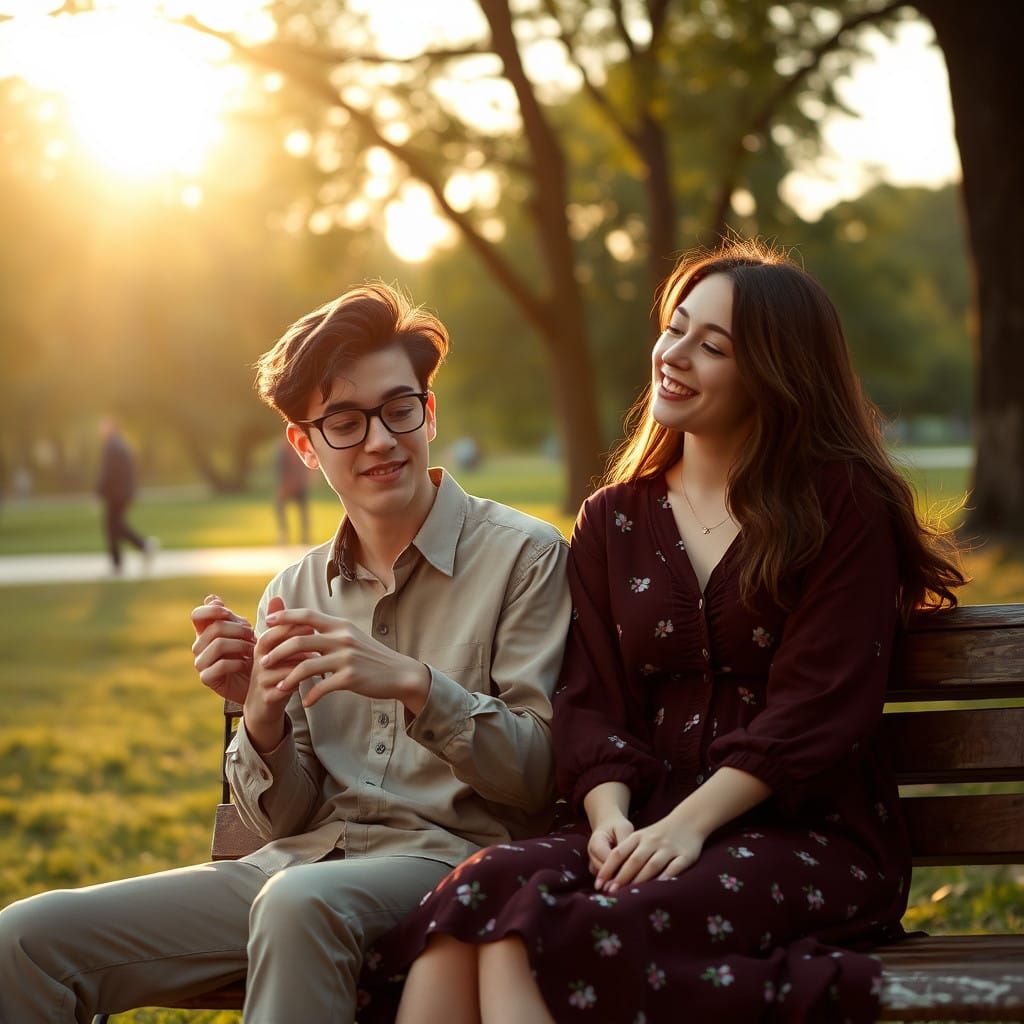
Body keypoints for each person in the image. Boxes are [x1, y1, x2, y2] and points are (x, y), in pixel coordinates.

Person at [356, 240, 965, 1024]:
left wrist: (686, 826)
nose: (674, 356)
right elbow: (590, 698)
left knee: (536, 936)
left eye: (711, 346)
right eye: (675, 328)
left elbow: (819, 708)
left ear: (774, 374)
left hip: (802, 832)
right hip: (638, 823)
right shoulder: (616, 517)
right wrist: (609, 817)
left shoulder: (840, 504)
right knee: (472, 898)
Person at [0, 283, 570, 1023]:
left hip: (449, 863)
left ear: (430, 412)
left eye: (400, 409)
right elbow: (280, 824)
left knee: (297, 904)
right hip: (295, 868)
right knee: (25, 940)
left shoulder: (526, 556)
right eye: (344, 421)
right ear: (304, 445)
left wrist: (413, 684)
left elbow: (537, 774)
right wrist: (261, 715)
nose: (380, 439)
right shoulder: (293, 590)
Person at [95, 416, 157, 574]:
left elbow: (109, 473)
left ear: (112, 428)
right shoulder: (122, 444)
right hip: (124, 493)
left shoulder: (111, 446)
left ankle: (122, 561)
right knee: (116, 526)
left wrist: (99, 491)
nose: (101, 430)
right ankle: (141, 547)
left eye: (104, 427)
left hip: (116, 494)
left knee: (112, 527)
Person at [274, 434, 312, 544]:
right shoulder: (284, 450)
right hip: (290, 484)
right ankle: (285, 533)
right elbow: (281, 469)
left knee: (301, 511)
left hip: (296, 484)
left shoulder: (290, 449)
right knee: (284, 508)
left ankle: (303, 536)